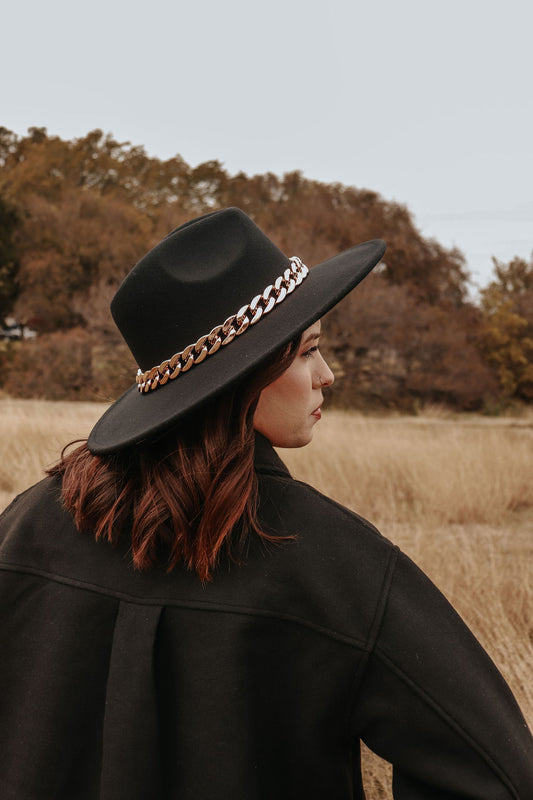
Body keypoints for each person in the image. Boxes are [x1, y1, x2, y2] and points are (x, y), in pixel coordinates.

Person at [0, 207, 532, 800]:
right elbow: (499, 774)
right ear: (245, 373)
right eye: (307, 352)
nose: (326, 375)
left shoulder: (27, 525)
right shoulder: (335, 563)